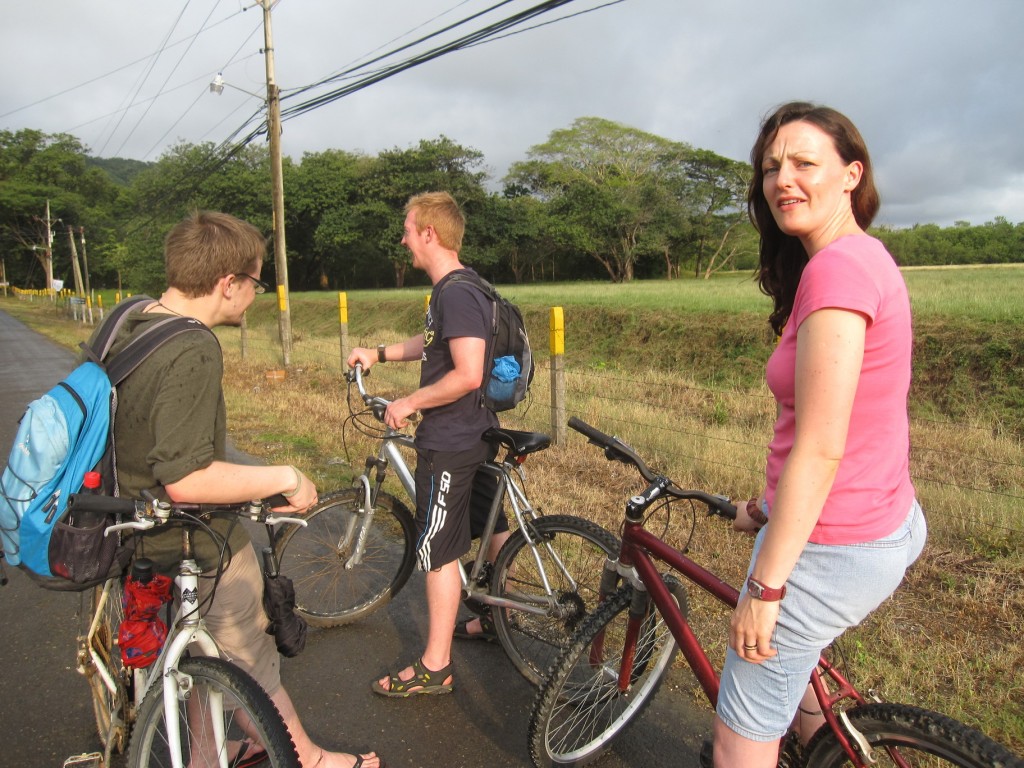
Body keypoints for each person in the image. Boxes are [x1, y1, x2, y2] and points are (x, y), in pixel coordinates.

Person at [103, 211, 381, 768]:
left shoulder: (129, 319)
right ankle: (305, 757)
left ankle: (212, 750)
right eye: (254, 282)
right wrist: (285, 476)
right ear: (227, 282)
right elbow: (185, 478)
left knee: (198, 660)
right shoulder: (194, 347)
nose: (254, 294)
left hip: (121, 525)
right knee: (251, 655)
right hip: (186, 538)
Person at [709, 103, 927, 768]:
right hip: (879, 515)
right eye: (772, 166)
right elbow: (855, 425)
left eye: (805, 163)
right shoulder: (861, 257)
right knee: (793, 679)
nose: (783, 179)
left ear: (850, 174)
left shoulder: (835, 271)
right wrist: (767, 509)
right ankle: (819, 748)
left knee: (738, 736)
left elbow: (824, 445)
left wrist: (767, 588)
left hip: (829, 550)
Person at [347, 191, 509, 696]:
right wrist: (378, 352)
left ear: (430, 235)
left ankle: (435, 667)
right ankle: (497, 619)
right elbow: (435, 342)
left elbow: (467, 372)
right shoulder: (463, 287)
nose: (403, 239)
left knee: (438, 548)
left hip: (451, 437)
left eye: (408, 229)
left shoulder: (454, 293)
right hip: (476, 431)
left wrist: (410, 402)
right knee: (491, 523)